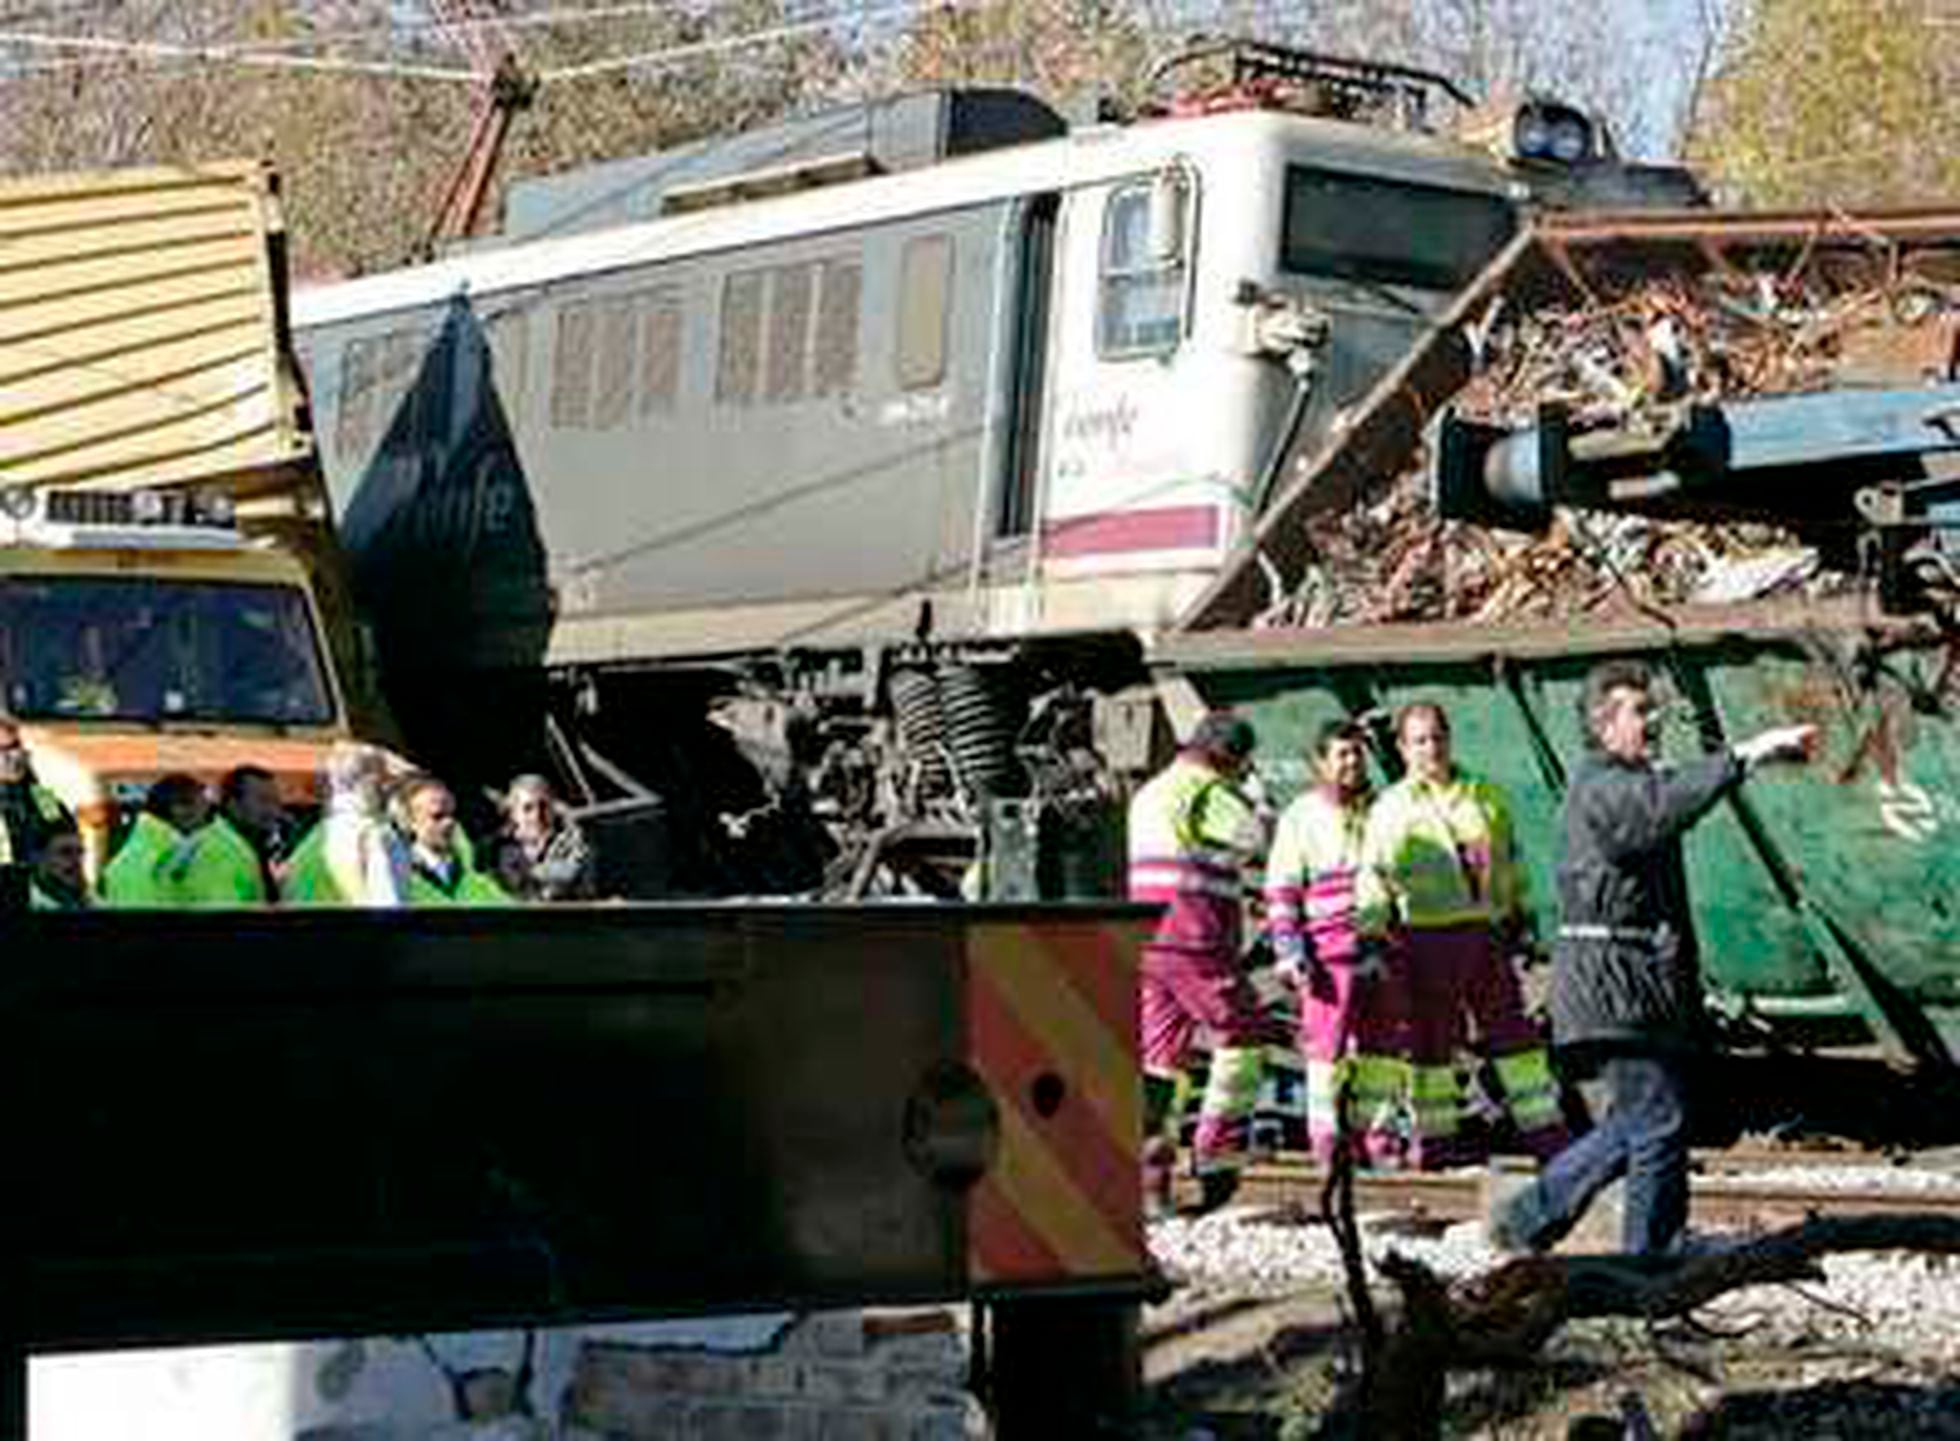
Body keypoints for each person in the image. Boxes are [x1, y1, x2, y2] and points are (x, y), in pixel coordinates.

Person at [1490, 661, 1814, 1255]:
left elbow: (1663, 796)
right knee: (1659, 1118)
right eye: (1639, 711)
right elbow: (1658, 809)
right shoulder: (1603, 787)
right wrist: (1748, 754)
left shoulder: (1621, 782)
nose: (1654, 720)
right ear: (1602, 725)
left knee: (1639, 1119)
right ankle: (1648, 1256)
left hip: (1628, 984)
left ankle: (1530, 1217)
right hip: (1611, 985)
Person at [1356, 704, 1568, 1169]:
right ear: (1403, 748)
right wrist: (1370, 935)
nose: (1431, 748)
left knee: (1512, 1033)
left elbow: (1511, 858)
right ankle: (1436, 1143)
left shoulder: (1484, 795)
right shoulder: (1391, 808)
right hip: (1423, 937)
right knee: (1432, 1042)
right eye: (1420, 741)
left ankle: (1547, 1135)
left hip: (1484, 933)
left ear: (1449, 739)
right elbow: (1373, 876)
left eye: (1437, 737)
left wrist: (1521, 914)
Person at [1128, 710, 1270, 1217]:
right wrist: (1257, 802)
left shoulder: (1150, 793)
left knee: (1160, 1063)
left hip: (1147, 939)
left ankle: (1152, 1185)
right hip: (1193, 935)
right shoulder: (1208, 790)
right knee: (1244, 1034)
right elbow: (1256, 840)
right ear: (1231, 759)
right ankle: (1217, 1159)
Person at [1264, 719, 1406, 1167]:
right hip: (1329, 955)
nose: (1353, 762)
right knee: (1327, 1055)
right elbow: (1283, 888)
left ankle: (1377, 1145)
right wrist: (1289, 950)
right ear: (1320, 762)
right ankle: (1328, 1147)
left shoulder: (1382, 809)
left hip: (1380, 948)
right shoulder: (1301, 817)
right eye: (1343, 754)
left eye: (1358, 753)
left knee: (1382, 1051)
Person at [284, 742, 410, 906]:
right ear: (364, 781)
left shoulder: (314, 839)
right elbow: (385, 903)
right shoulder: (369, 832)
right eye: (384, 778)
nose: (390, 788)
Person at [176, 765, 286, 906]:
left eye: (276, 802)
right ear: (232, 804)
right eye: (263, 800)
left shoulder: (224, 844)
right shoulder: (218, 852)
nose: (273, 810)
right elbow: (221, 916)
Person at [100, 773, 209, 907]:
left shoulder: (131, 853)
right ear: (179, 809)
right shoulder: (171, 855)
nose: (205, 811)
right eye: (201, 805)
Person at [398, 775, 509, 905]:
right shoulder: (400, 874)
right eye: (437, 816)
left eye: (452, 814)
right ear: (412, 822)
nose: (449, 823)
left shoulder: (473, 873)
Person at [499, 774, 596, 901]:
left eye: (543, 806)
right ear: (514, 813)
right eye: (527, 808)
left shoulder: (573, 845)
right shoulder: (497, 850)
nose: (537, 816)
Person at [0, 716, 73, 883]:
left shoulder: (41, 795)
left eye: (16, 747)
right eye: (3, 750)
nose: (14, 756)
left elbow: (62, 832)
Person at [27, 821, 91, 910]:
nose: (76, 861)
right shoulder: (24, 908)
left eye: (80, 852)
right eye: (65, 852)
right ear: (41, 858)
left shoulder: (96, 905)